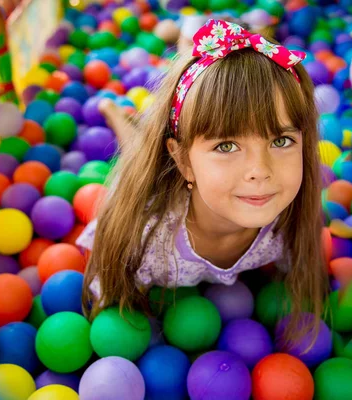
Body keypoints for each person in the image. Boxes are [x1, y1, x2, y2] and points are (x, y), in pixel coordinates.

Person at [79, 18, 328, 340]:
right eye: (227, 146)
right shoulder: (145, 237)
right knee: (136, 155)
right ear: (183, 161)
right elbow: (104, 297)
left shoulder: (290, 217)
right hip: (151, 183)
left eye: (280, 141)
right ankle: (115, 113)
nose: (260, 170)